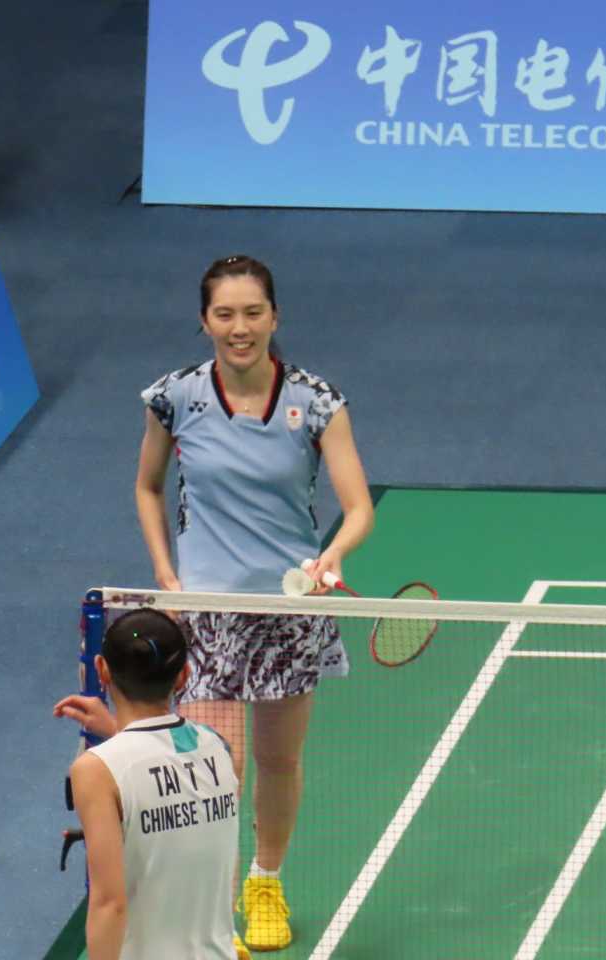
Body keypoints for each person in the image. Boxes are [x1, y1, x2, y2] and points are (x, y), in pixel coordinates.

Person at [134, 255, 375, 952]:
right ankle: (210, 911)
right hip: (207, 613)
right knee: (216, 770)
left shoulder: (317, 402)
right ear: (204, 320)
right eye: (225, 314)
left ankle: (264, 882)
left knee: (277, 761)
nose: (239, 328)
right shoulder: (174, 397)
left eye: (252, 313)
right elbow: (148, 487)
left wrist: (333, 555)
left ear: (275, 316)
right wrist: (166, 576)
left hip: (288, 612)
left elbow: (358, 507)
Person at [54, 609, 247, 960]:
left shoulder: (95, 771)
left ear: (102, 669)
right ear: (183, 675)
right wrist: (116, 730)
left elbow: (109, 904)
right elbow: (167, 770)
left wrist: (117, 736)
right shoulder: (218, 747)